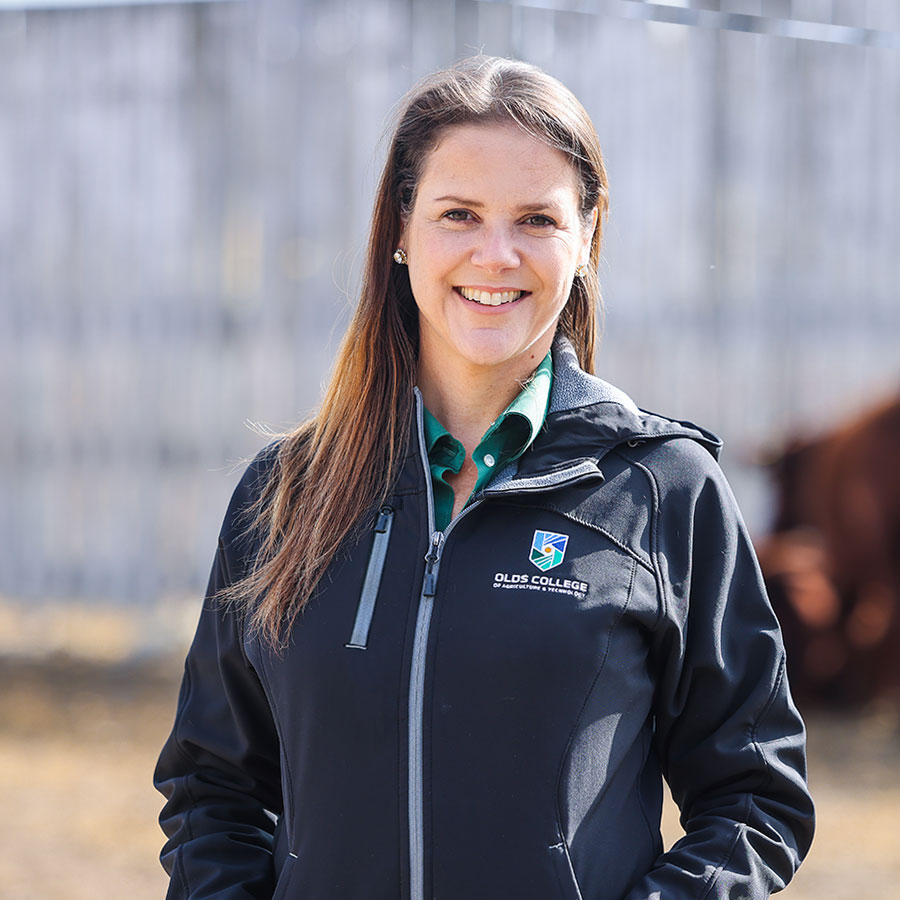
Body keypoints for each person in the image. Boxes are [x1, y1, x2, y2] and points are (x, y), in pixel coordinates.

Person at [154, 55, 814, 899]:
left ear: (587, 238)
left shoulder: (661, 490)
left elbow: (755, 799)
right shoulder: (283, 495)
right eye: (458, 214)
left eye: (536, 220)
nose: (495, 255)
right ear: (400, 230)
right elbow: (214, 791)